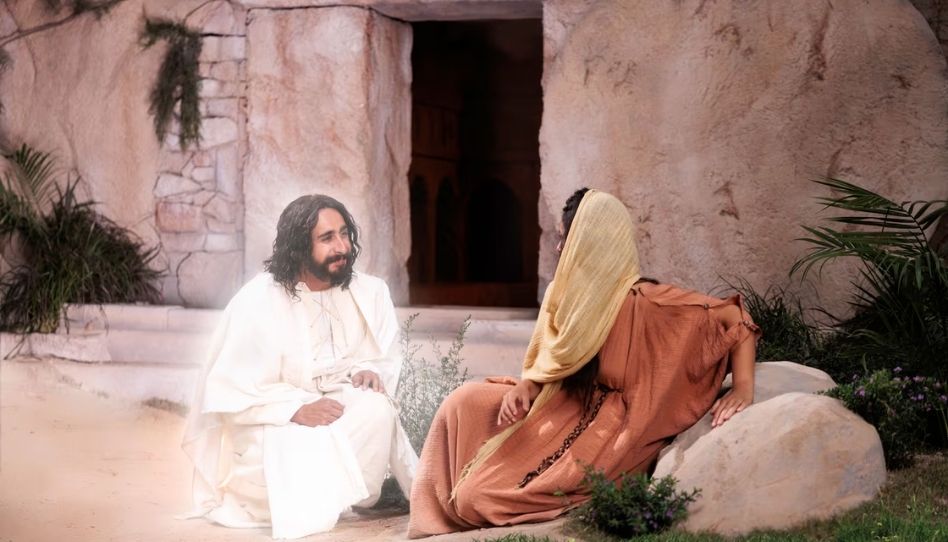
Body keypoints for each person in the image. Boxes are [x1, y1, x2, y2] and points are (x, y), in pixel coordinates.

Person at [408, 188, 760, 537]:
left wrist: (743, 387)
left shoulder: (647, 303)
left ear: (593, 241)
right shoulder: (564, 296)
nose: (559, 249)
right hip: (559, 404)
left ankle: (489, 491)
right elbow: (551, 362)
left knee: (476, 497)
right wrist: (527, 387)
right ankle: (446, 503)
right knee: (463, 402)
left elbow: (732, 316)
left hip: (608, 433)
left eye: (567, 239)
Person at [182, 194, 417, 539]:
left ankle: (336, 498)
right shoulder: (258, 300)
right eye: (327, 238)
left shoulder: (371, 292)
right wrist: (295, 410)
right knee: (290, 449)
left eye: (345, 234)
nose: (342, 247)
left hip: (338, 408)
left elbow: (384, 354)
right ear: (298, 247)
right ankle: (312, 500)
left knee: (376, 409)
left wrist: (369, 370)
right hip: (275, 422)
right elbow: (229, 391)